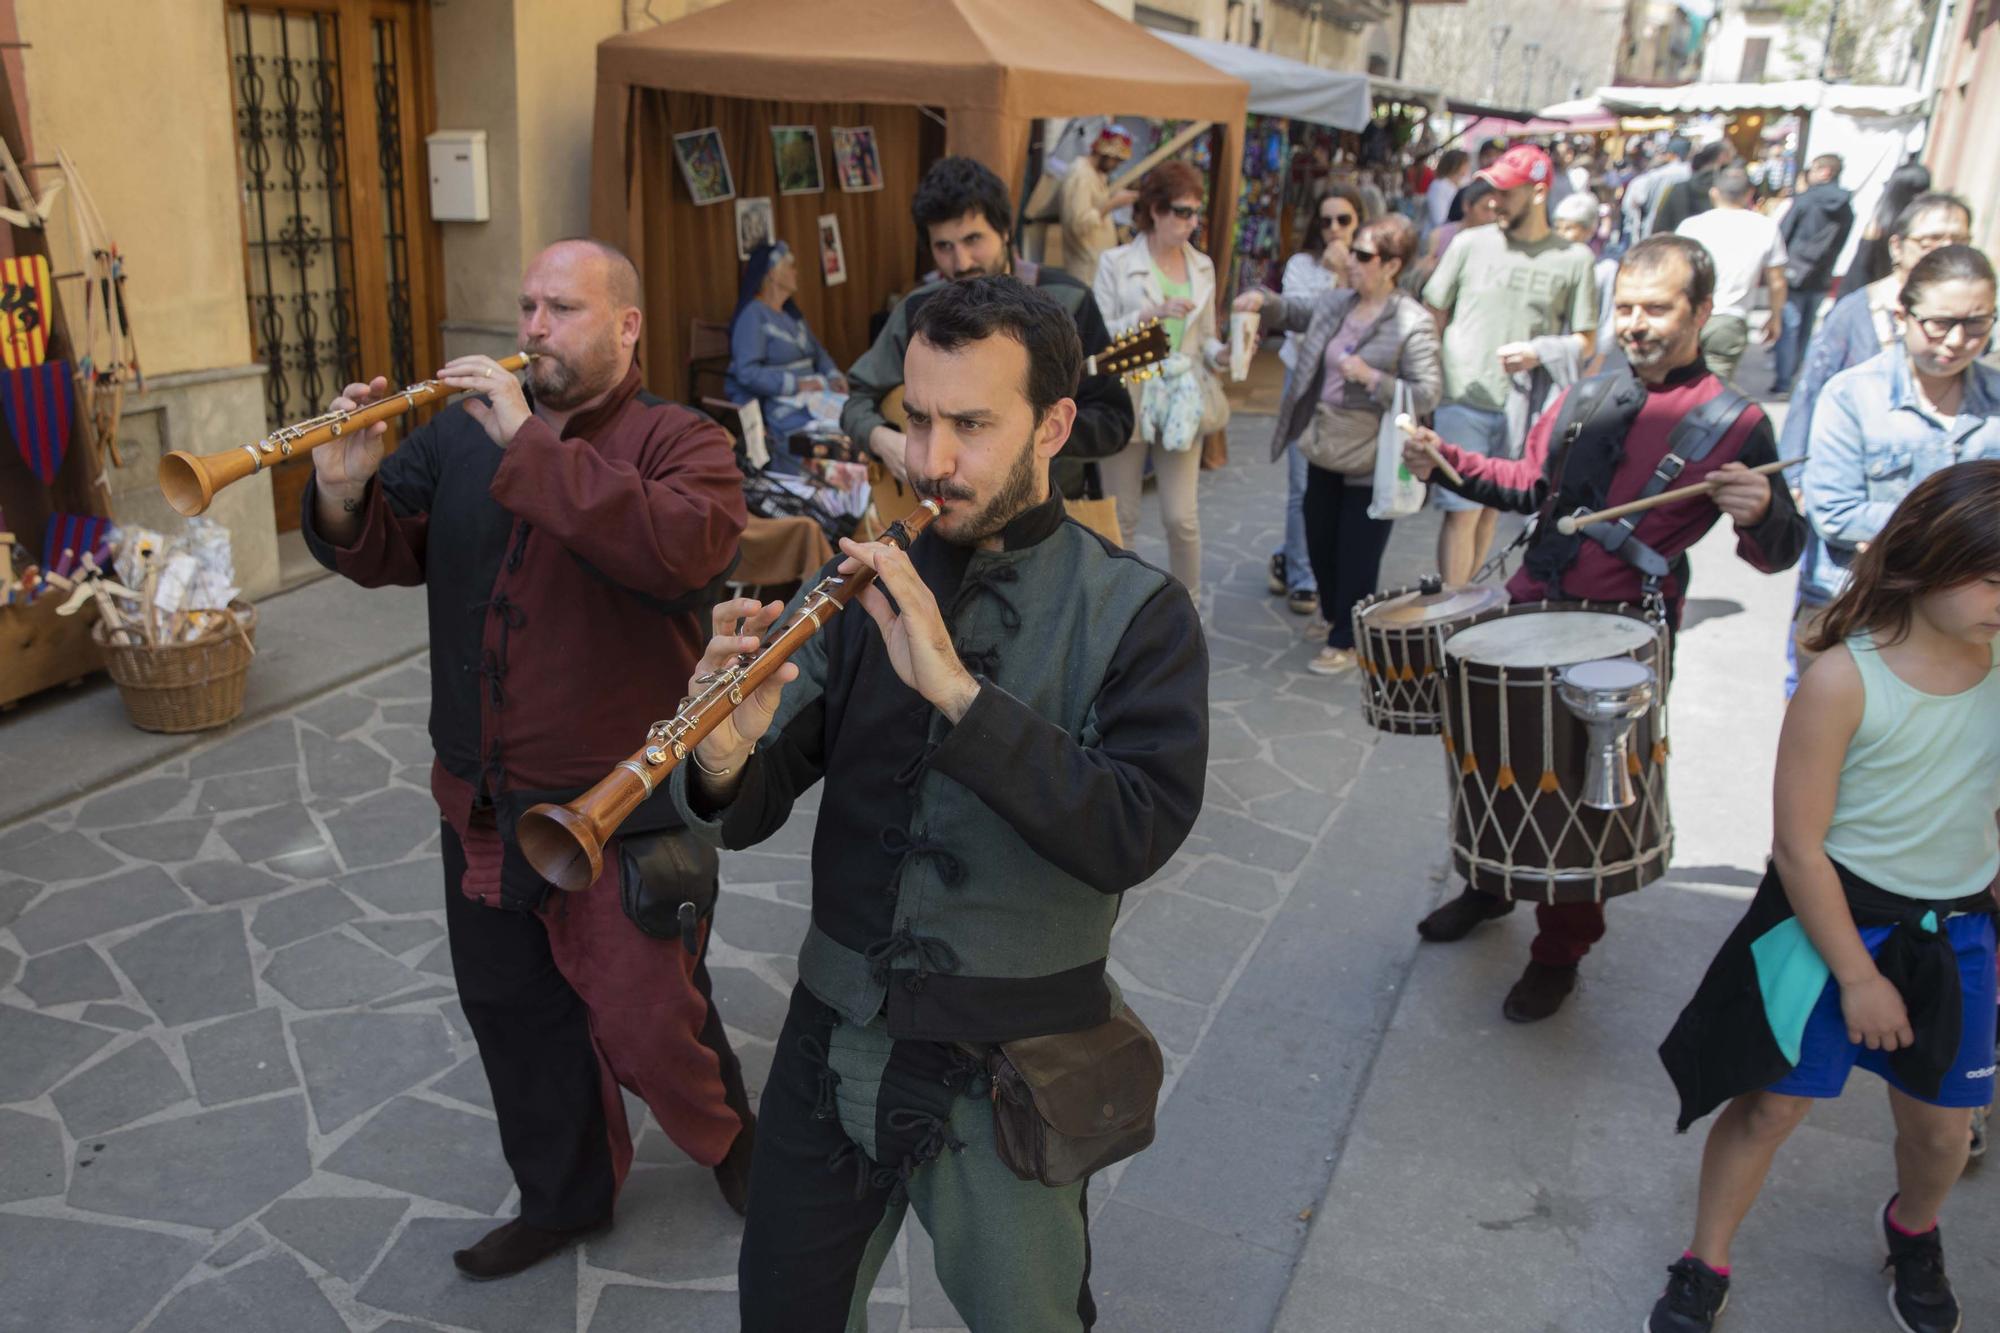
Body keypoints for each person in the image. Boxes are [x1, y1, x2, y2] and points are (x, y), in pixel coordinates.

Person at [672, 276, 1210, 1331]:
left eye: (970, 423)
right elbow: (748, 804)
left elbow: (1129, 828)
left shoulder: (1135, 615)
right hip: (832, 1046)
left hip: (1013, 1070)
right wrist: (725, 748)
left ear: (1054, 425)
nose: (928, 459)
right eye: (916, 418)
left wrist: (960, 697)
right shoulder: (866, 579)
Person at [300, 239, 756, 1278]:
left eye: (562, 308)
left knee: (650, 1015)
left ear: (625, 325)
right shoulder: (461, 439)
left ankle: (736, 1143)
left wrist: (529, 445)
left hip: (618, 802)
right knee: (511, 1009)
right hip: (482, 798)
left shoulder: (682, 439)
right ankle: (566, 1194)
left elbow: (681, 548)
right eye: (527, 306)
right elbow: (387, 545)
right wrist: (342, 493)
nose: (533, 328)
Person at [1402, 235, 1806, 1021]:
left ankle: (1559, 949)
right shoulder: (1585, 393)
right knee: (1498, 762)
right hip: (1526, 613)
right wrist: (1444, 459)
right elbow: (1532, 488)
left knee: (1587, 803)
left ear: (1702, 311)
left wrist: (1759, 513)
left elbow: (1776, 551)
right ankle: (1489, 885)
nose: (1636, 323)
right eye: (1625, 306)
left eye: (1656, 308)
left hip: (1618, 639)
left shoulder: (1735, 420)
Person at [1648, 460, 2000, 1333]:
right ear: (1927, 558)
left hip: (1957, 932)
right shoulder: (1844, 680)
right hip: (1835, 925)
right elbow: (1799, 849)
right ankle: (1705, 1258)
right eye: (1995, 576)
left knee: (1944, 1134)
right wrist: (1858, 977)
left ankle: (1913, 1228)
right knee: (1770, 1103)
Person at [843, 155, 1132, 506]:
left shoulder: (1069, 302)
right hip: (943, 520)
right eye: (944, 247)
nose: (961, 262)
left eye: (973, 239)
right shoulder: (917, 311)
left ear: (1006, 231)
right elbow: (856, 399)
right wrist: (881, 439)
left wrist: (1027, 437)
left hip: (1047, 515)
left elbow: (1114, 421)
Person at [1779, 194, 1974, 693]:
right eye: (1931, 240)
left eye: (1975, 325)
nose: (1955, 340)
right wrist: (1798, 480)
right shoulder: (1855, 344)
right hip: (1855, 587)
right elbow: (1812, 390)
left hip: (1957, 610)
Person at [1233, 214, 1442, 675]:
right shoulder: (1337, 303)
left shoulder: (1411, 321)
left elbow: (1428, 391)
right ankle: (1333, 615)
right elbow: (1294, 311)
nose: (1352, 261)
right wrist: (1261, 300)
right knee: (1318, 537)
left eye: (1363, 255)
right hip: (1326, 441)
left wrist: (1373, 379)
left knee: (1357, 551)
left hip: (1371, 450)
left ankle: (1347, 640)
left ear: (1392, 265)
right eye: (1354, 252)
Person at [1802, 244, 2000, 683]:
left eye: (1976, 324)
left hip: (1975, 626)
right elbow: (1834, 511)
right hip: (1867, 606)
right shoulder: (1852, 394)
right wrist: (1952, 536)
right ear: (1901, 316)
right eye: (1940, 323)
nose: (1956, 340)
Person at [1422, 145, 1599, 587]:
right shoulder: (1468, 243)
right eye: (1493, 191)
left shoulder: (1574, 259)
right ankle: (1451, 607)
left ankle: (1466, 596)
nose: (1495, 200)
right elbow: (1434, 312)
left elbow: (1586, 340)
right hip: (1462, 398)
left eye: (1507, 192)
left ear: (1539, 192)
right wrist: (1429, 379)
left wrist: (1540, 351)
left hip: (1526, 411)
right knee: (1461, 511)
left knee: (1490, 512)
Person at [1094, 160, 1227, 596]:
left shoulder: (1201, 267)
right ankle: (1122, 611)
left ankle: (1185, 611)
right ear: (1154, 209)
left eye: (1195, 212)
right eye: (1181, 211)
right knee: (1122, 517)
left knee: (1181, 516)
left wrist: (1225, 354)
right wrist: (1149, 316)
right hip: (1126, 390)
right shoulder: (1115, 262)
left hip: (1180, 395)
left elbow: (1205, 336)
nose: (1190, 222)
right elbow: (1098, 332)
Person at [1268, 184, 1367, 617]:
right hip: (1305, 379)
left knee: (1339, 484)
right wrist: (1332, 278)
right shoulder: (1301, 265)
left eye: (1343, 220)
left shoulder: (1369, 265)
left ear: (1358, 222)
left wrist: (1349, 273)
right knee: (1302, 481)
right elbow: (1304, 327)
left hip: (1351, 386)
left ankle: (1298, 559)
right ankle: (1302, 577)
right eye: (1326, 220)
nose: (1334, 229)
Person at [726, 240, 844, 473]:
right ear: (772, 273)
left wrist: (833, 374)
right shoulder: (753, 316)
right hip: (786, 406)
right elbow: (747, 372)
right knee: (834, 441)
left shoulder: (792, 316)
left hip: (819, 395)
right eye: (790, 265)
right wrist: (797, 384)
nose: (795, 271)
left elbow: (819, 353)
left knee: (855, 420)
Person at [1675, 166, 1788, 387]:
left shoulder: (1691, 226)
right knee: (1715, 389)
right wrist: (1775, 316)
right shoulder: (1765, 227)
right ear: (1749, 194)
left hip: (1688, 314)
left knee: (1680, 382)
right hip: (1730, 319)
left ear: (1714, 193)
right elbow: (1777, 281)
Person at [1772, 154, 1855, 393]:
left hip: (1794, 272)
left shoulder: (1805, 200)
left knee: (1789, 327)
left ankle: (1784, 381)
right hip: (1821, 274)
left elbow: (1782, 235)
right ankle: (1798, 375)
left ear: (1825, 172)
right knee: (1805, 330)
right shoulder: (1846, 207)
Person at [1058, 125, 1138, 284]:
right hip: (1086, 270)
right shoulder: (1081, 175)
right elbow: (1078, 224)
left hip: (1096, 269)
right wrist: (1114, 203)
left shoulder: (1096, 174)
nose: (1117, 165)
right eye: (1116, 159)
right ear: (1104, 152)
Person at [1846, 159, 1932, 291]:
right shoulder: (1877, 227)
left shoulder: (1922, 221)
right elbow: (1859, 272)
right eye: (1917, 191)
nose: (1923, 196)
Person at [1651, 139, 1733, 236]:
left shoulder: (1677, 187)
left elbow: (1660, 227)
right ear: (1722, 156)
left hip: (1679, 245)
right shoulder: (1728, 190)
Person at [1623, 136, 1689, 244]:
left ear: (1670, 153)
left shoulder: (1653, 176)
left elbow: (1634, 203)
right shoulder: (1690, 172)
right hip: (1682, 231)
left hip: (1653, 229)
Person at [1425, 148, 1471, 238]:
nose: (1468, 167)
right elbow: (1439, 219)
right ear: (1456, 165)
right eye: (1465, 163)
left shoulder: (1463, 183)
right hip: (1438, 238)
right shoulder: (1438, 186)